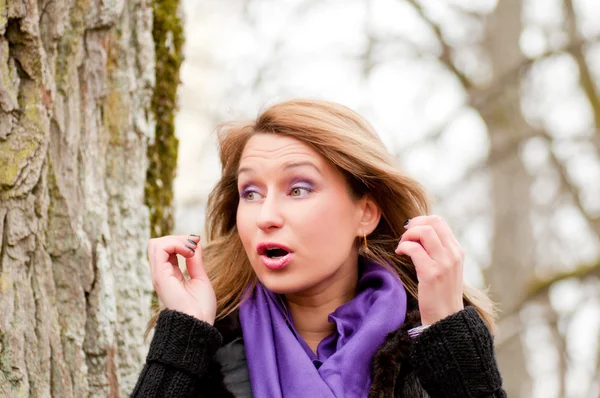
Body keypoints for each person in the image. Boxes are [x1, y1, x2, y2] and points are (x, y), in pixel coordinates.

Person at [132, 99, 506, 397]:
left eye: (298, 189)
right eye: (251, 193)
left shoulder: (432, 345)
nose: (267, 215)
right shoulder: (205, 348)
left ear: (366, 213)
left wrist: (446, 332)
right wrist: (184, 336)